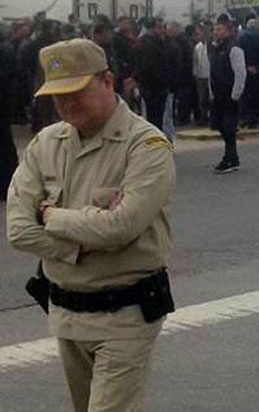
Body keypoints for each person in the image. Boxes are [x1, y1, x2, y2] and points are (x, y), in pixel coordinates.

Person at [6, 38, 175, 412]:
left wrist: (52, 216)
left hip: (125, 316)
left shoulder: (146, 145)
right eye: (57, 95)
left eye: (76, 91)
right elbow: (18, 229)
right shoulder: (46, 143)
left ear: (108, 82)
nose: (66, 104)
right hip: (66, 315)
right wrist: (79, 243)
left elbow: (121, 226)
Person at [209, 20, 247, 173]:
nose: (217, 32)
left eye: (220, 29)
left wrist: (235, 94)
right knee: (219, 125)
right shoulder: (214, 48)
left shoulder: (234, 48)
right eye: (215, 29)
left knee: (229, 126)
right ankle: (231, 156)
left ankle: (230, 158)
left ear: (228, 31)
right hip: (217, 93)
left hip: (229, 93)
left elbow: (240, 72)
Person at [135, 18, 169, 132]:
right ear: (152, 28)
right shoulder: (150, 43)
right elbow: (148, 66)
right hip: (154, 87)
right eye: (159, 28)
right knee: (154, 118)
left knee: (154, 117)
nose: (162, 31)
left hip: (152, 86)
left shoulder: (150, 42)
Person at [237, 18, 259, 129]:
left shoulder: (240, 39)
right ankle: (254, 120)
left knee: (244, 96)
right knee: (257, 97)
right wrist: (257, 67)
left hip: (244, 71)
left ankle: (243, 119)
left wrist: (246, 66)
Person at [0, 26, 17, 201]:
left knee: (4, 146)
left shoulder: (4, 51)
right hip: (5, 104)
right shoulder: (7, 49)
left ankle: (6, 184)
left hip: (3, 102)